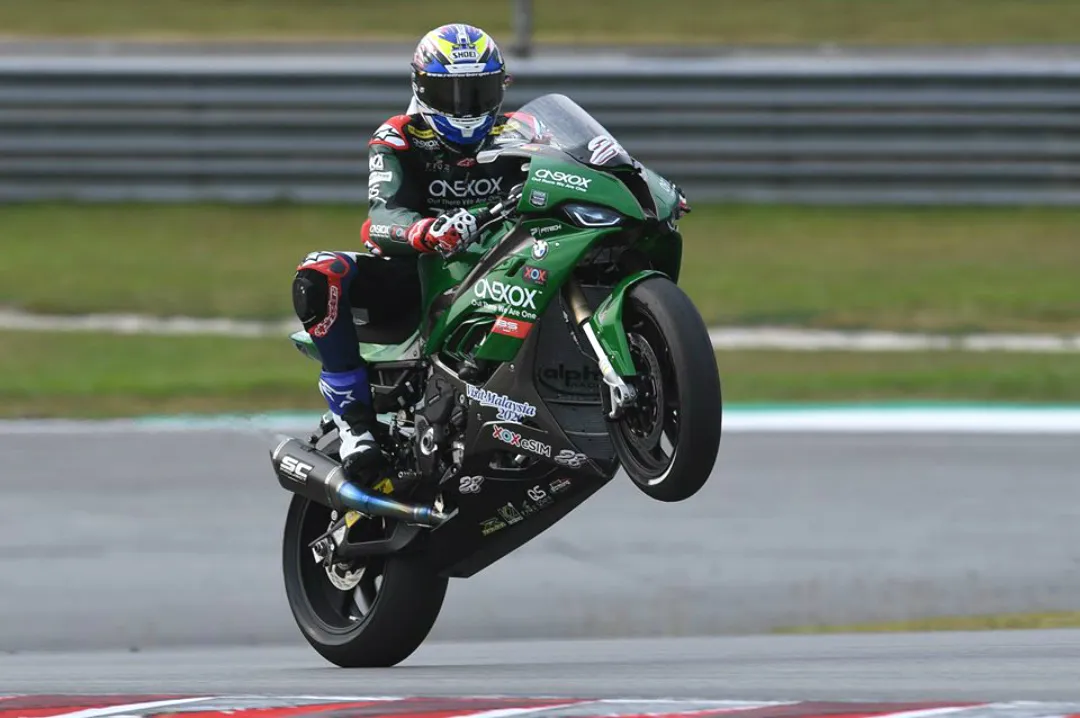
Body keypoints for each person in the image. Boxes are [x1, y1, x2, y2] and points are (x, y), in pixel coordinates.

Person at [290, 23, 537, 481]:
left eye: (479, 91)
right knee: (319, 272)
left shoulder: (521, 133)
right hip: (418, 279)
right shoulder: (399, 138)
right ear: (422, 90)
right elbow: (381, 217)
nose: (468, 108)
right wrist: (428, 231)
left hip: (509, 267)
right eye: (452, 95)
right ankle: (355, 429)